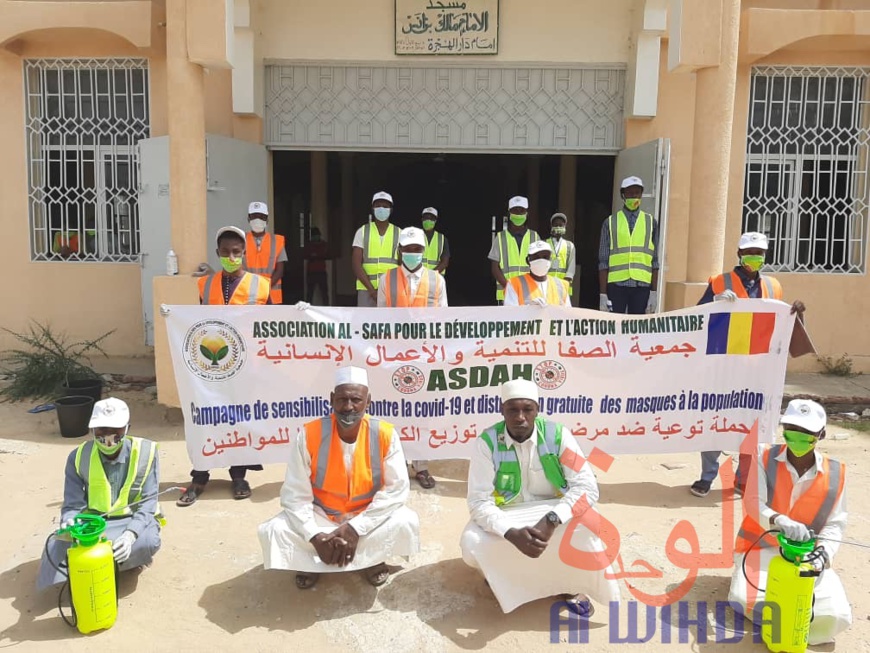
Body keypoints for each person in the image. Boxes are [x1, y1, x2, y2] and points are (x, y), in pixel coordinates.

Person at [460, 379, 620, 615]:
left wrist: (552, 520)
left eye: (527, 409)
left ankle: (570, 585)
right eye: (512, 409)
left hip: (553, 509)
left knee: (591, 526)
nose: (520, 417)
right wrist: (510, 532)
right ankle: (502, 578)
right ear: (501, 409)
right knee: (472, 542)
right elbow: (478, 501)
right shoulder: (487, 443)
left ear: (537, 409)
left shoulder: (558, 435)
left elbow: (587, 486)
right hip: (508, 514)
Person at [258, 366, 420, 589]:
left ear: (368, 402)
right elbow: (295, 494)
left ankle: (371, 560)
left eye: (356, 400)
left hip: (366, 515)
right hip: (323, 514)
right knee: (275, 529)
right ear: (332, 399)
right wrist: (315, 536)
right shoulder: (309, 434)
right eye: (342, 399)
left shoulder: (385, 434)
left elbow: (396, 490)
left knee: (405, 521)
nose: (348, 407)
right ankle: (313, 560)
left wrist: (355, 529)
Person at [690, 231, 807, 498]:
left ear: (765, 256)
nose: (755, 257)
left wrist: (796, 312)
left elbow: (784, 326)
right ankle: (707, 477)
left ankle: (744, 478)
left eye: (760, 253)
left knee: (749, 423)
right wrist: (714, 302)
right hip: (724, 361)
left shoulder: (774, 286)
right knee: (714, 419)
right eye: (749, 252)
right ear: (739, 254)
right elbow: (698, 316)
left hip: (757, 366)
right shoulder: (720, 282)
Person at [728, 399, 851, 645]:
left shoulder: (837, 473)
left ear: (821, 434)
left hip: (806, 555)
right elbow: (753, 501)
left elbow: (835, 524)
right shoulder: (764, 457)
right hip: (761, 549)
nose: (797, 438)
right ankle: (787, 624)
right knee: (744, 598)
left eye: (806, 434)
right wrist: (779, 520)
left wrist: (823, 555)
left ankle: (796, 629)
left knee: (836, 616)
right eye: (792, 431)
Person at [177, 226, 271, 507]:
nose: (231, 256)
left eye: (236, 252)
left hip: (247, 364)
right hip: (212, 364)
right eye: (226, 252)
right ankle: (200, 475)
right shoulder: (204, 284)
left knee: (239, 417)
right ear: (217, 253)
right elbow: (196, 321)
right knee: (207, 416)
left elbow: (272, 324)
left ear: (243, 253)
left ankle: (238, 475)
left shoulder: (261, 285)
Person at [38, 398, 162, 589]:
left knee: (147, 542)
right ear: (92, 430)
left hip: (132, 519)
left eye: (116, 429)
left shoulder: (146, 452)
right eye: (102, 430)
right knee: (55, 547)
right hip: (94, 524)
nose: (109, 436)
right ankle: (106, 562)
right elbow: (72, 504)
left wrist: (131, 534)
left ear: (127, 428)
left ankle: (112, 562)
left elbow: (148, 502)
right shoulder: (78, 457)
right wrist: (71, 521)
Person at [378, 226, 446, 489]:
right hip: (395, 354)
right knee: (396, 410)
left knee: (423, 412)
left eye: (417, 249)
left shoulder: (437, 280)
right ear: (400, 251)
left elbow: (444, 319)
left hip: (425, 355)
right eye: (407, 250)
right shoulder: (387, 279)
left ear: (423, 251)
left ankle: (422, 466)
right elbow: (378, 319)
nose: (412, 254)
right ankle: (398, 466)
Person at [598, 176, 659, 315]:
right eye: (630, 193)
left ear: (641, 194)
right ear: (623, 195)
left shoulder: (651, 222)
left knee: (637, 330)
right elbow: (603, 262)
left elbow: (655, 262)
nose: (634, 196)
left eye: (637, 193)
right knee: (614, 328)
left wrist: (653, 293)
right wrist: (603, 294)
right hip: (617, 285)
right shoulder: (610, 222)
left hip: (642, 285)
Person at [489, 196, 541, 305]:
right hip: (505, 293)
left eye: (522, 210)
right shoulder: (500, 238)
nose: (518, 213)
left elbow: (540, 265)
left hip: (530, 293)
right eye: (515, 210)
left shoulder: (535, 237)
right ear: (509, 213)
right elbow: (495, 267)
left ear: (527, 213)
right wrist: (509, 288)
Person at [352, 191, 400, 307]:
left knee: (391, 323)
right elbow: (356, 264)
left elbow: (403, 266)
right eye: (378, 206)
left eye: (385, 206)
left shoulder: (399, 233)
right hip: (366, 290)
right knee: (365, 323)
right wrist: (372, 291)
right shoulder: (362, 231)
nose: (381, 209)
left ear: (391, 209)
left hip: (392, 290)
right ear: (373, 208)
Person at [503, 240, 571, 307]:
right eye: (536, 257)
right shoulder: (514, 284)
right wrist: (529, 310)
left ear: (550, 260)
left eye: (545, 257)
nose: (541, 260)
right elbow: (510, 314)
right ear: (528, 260)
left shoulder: (561, 286)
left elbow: (567, 315)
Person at [244, 201, 287, 305]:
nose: (257, 220)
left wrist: (263, 288)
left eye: (261, 216)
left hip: (271, 296)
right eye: (254, 216)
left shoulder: (277, 241)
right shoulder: (240, 240)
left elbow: (280, 270)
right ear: (248, 219)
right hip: (246, 295)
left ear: (267, 220)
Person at [547, 212, 576, 300]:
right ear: (552, 226)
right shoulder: (545, 243)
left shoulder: (569, 245)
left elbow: (571, 268)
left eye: (561, 225)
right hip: (547, 286)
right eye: (556, 225)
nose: (558, 227)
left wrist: (564, 285)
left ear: (565, 226)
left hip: (563, 286)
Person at [303, 227, 331, 305]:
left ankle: (327, 308)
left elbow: (327, 255)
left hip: (321, 271)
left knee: (324, 293)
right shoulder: (309, 245)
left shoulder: (324, 244)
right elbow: (305, 256)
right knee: (310, 293)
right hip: (311, 272)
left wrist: (316, 256)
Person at [420, 207, 450, 274]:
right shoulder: (415, 236)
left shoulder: (442, 239)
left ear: (435, 220)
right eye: (426, 218)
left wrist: (430, 275)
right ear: (422, 219)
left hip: (436, 279)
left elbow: (445, 262)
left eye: (431, 218)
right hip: (417, 278)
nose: (428, 220)